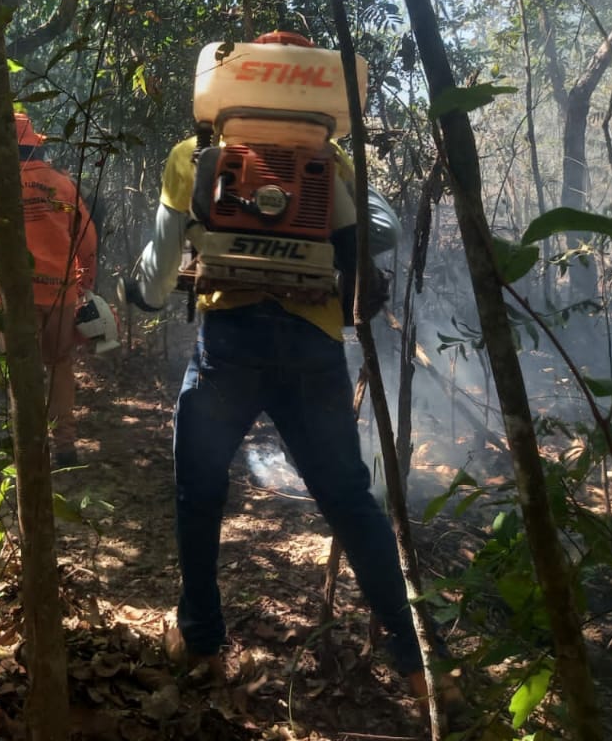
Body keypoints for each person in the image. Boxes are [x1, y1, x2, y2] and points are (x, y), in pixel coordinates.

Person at [124, 123, 441, 699]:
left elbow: (161, 269)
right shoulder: (328, 155)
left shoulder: (193, 156)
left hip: (230, 346)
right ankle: (423, 664)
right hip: (312, 343)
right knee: (348, 498)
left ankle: (199, 643)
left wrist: (142, 287)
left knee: (199, 491)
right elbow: (382, 233)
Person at [0, 112, 98, 466]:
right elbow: (87, 238)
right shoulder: (61, 183)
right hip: (61, 291)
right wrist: (85, 285)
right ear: (33, 146)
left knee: (21, 368)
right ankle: (64, 443)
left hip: (17, 296)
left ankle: (29, 444)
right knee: (60, 363)